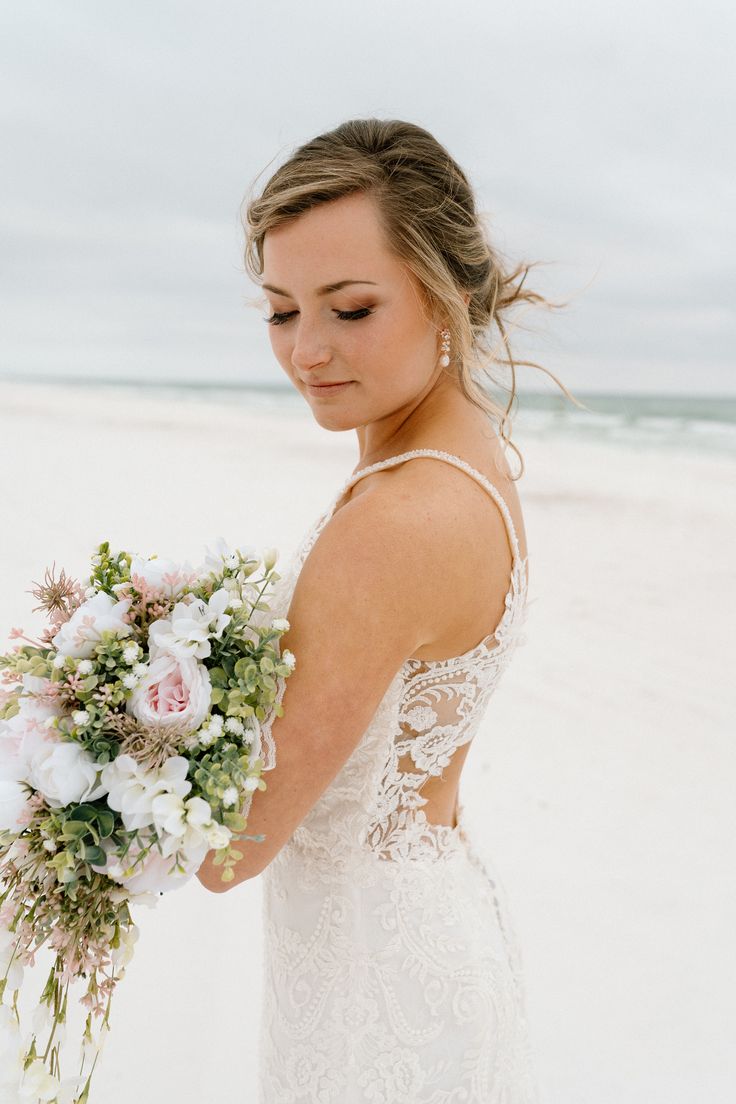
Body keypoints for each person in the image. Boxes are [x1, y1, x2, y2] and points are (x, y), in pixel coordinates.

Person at [197, 118, 572, 1102]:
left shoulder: (396, 522)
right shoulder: (465, 457)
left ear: (445, 296)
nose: (307, 350)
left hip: (376, 991)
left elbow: (228, 851)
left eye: (351, 308)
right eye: (280, 311)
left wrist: (97, 746)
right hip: (425, 917)